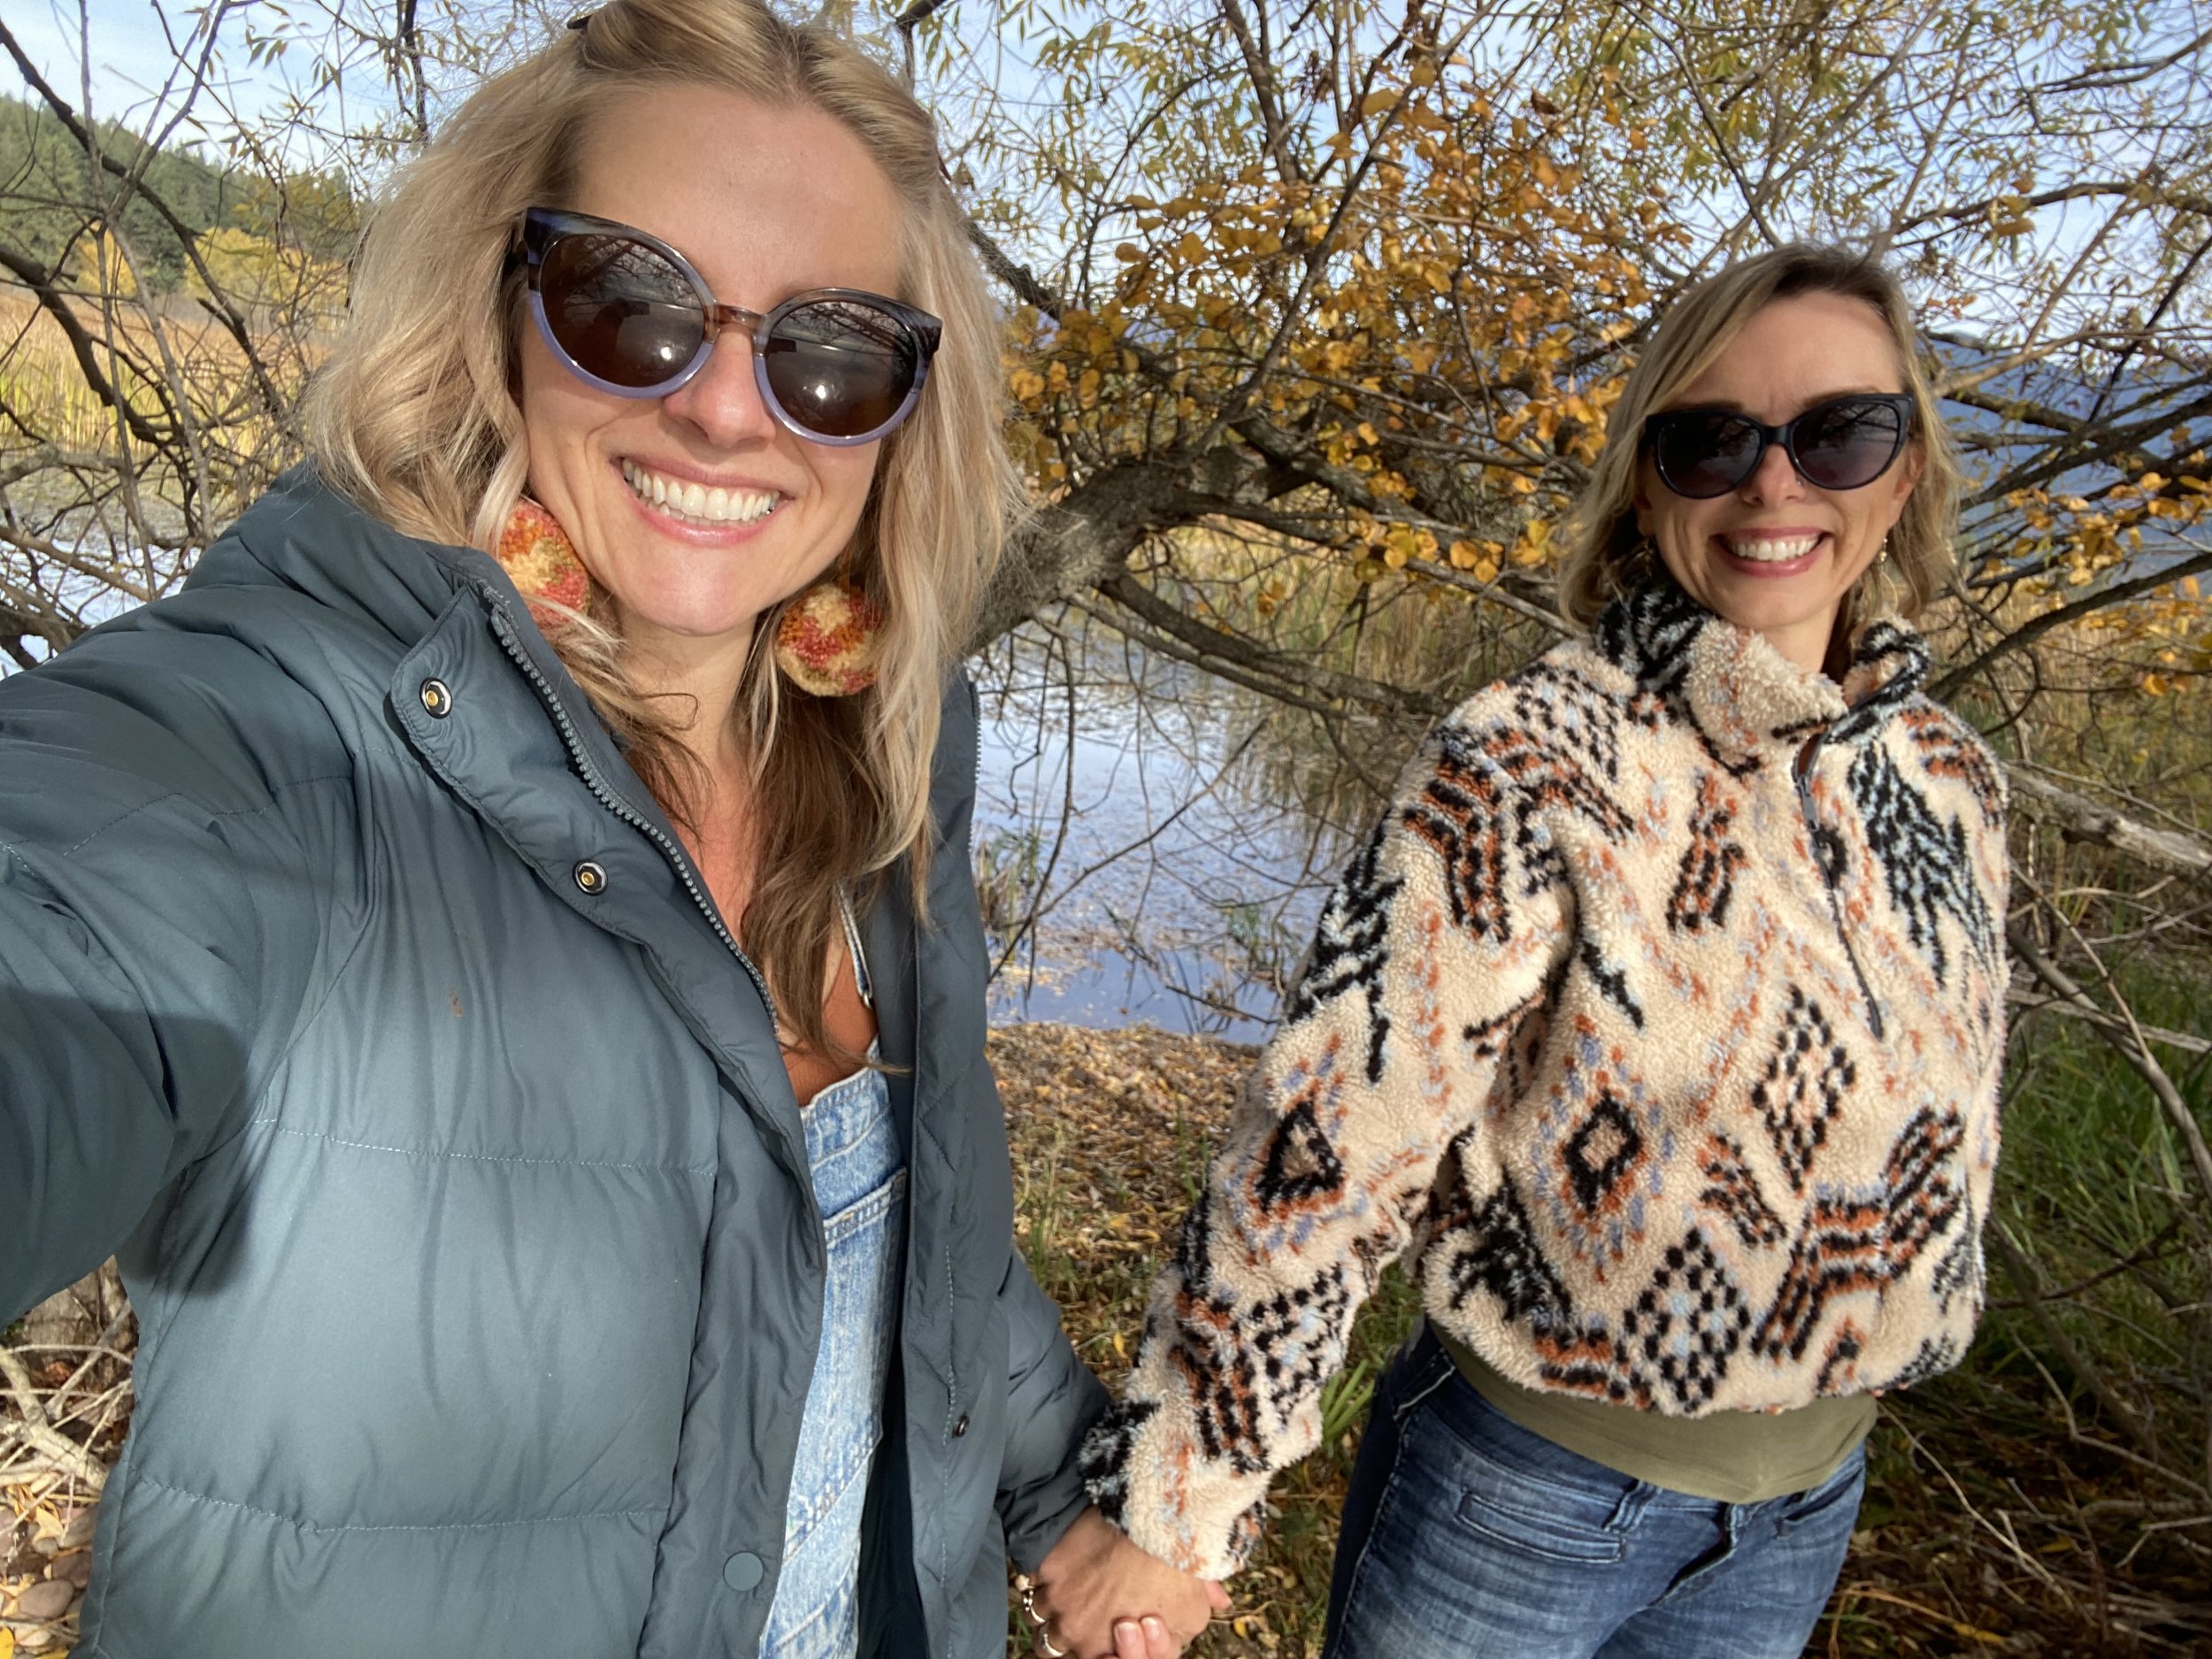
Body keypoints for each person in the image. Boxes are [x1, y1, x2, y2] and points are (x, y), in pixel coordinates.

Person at [0, 3, 1220, 1654]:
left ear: (902, 410)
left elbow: (920, 1226)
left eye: (832, 348)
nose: (730, 412)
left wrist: (1059, 1506)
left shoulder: (884, 751)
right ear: (501, 306)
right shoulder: (288, 739)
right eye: (628, 304)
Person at [1079, 243, 2010, 1658]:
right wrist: (1175, 1507)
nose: (1775, 484)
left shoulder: (1950, 782)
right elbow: (1333, 1139)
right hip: (1520, 1508)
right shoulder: (1526, 758)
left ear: (1903, 473)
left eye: (1837, 432)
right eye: (1712, 441)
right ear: (1648, 481)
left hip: (1805, 1508)